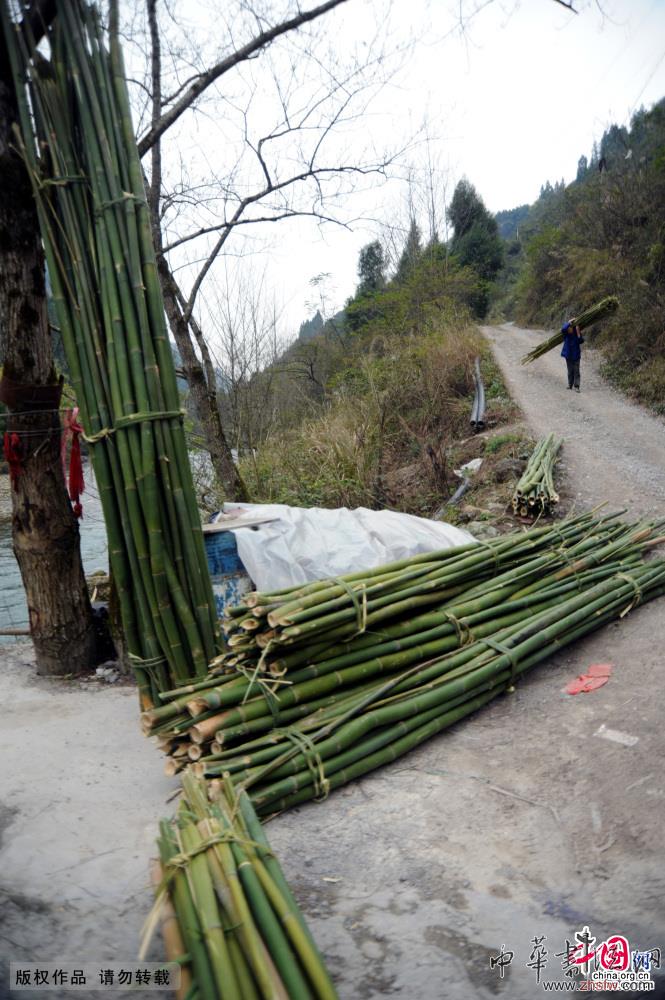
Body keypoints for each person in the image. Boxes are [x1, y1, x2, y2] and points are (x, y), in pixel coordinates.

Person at [560, 319, 584, 392]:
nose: (571, 330)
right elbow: (563, 329)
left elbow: (581, 341)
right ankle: (570, 385)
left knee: (576, 371)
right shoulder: (566, 333)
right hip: (568, 354)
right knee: (570, 371)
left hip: (576, 354)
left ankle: (576, 386)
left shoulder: (577, 333)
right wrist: (569, 322)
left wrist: (578, 332)